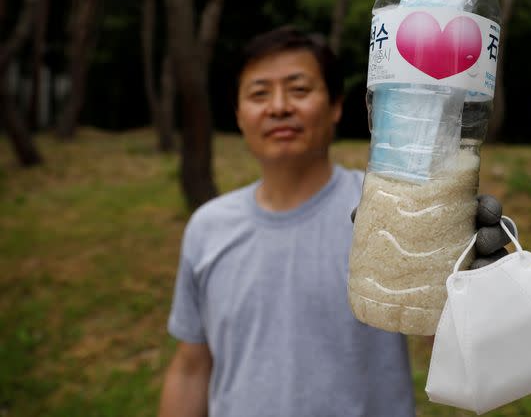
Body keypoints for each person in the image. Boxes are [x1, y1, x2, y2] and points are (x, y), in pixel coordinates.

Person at [158, 26, 512, 417]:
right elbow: (192, 365)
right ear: (239, 115)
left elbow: (449, 346)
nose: (278, 107)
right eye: (259, 93)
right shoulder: (207, 227)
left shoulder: (391, 211)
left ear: (336, 106)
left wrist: (471, 293)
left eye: (299, 89)